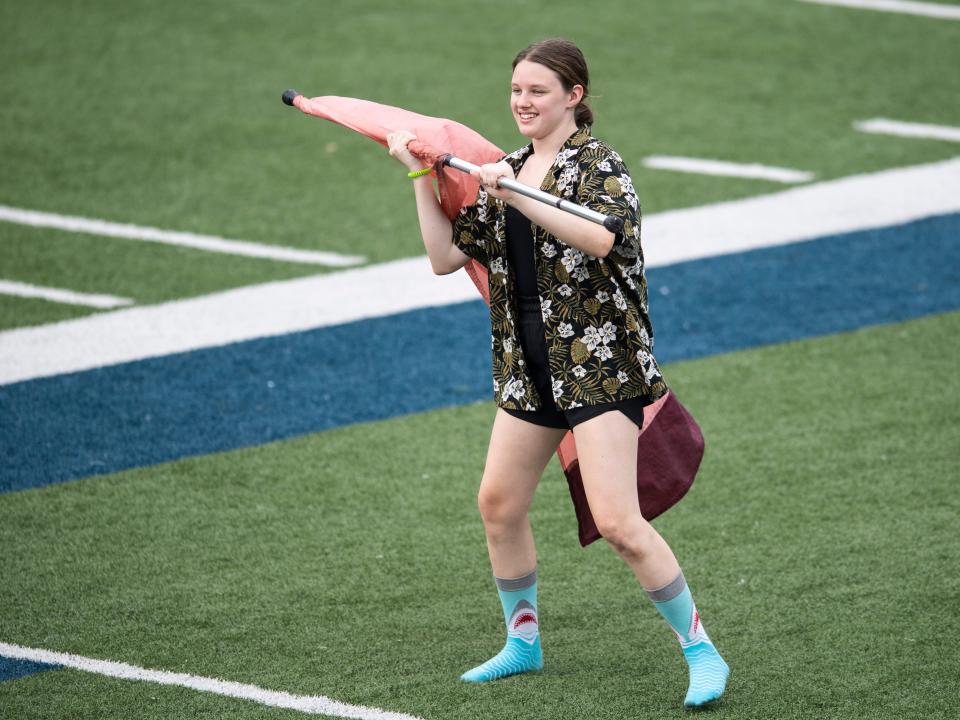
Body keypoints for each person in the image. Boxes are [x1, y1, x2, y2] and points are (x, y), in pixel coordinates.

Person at [386, 38, 729, 708]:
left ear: (574, 96)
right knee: (499, 504)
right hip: (530, 371)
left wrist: (513, 192)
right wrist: (422, 178)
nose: (522, 103)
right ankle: (523, 642)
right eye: (516, 91)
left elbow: (601, 236)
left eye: (537, 91)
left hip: (600, 370)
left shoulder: (599, 167)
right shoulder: (504, 167)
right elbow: (444, 258)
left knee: (620, 524)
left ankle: (701, 650)